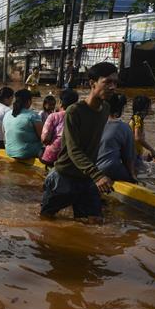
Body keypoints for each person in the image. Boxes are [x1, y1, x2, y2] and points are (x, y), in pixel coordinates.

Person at [40, 62, 119, 221]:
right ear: (92, 83)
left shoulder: (105, 109)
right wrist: (97, 175)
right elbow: (73, 149)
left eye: (115, 83)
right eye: (107, 82)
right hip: (65, 177)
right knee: (46, 219)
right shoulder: (74, 111)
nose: (113, 87)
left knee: (94, 222)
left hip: (86, 178)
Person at [97, 93, 137, 183]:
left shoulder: (92, 122)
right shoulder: (124, 128)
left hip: (89, 168)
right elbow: (128, 157)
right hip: (108, 169)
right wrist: (133, 176)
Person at [40, 89, 79, 166]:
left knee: (40, 150)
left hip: (52, 157)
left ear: (60, 102)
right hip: (72, 159)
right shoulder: (80, 117)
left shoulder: (54, 116)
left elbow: (44, 139)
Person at [3, 89, 43, 159]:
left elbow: (4, 133)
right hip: (25, 152)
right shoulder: (33, 115)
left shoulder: (7, 114)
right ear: (29, 101)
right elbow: (43, 138)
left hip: (9, 151)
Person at [129, 95, 155, 164]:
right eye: (149, 106)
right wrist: (151, 150)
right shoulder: (137, 119)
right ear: (144, 108)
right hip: (134, 154)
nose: (150, 108)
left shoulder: (137, 118)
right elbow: (138, 138)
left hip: (134, 153)